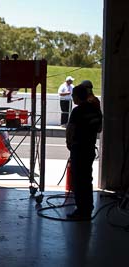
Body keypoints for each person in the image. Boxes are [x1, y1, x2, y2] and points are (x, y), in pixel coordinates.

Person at [66, 84, 102, 220]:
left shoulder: (77, 111)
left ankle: (81, 210)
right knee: (87, 179)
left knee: (78, 181)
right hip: (89, 149)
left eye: (73, 95)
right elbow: (99, 129)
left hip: (78, 148)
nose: (72, 98)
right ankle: (88, 208)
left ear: (77, 96)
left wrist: (69, 144)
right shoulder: (96, 110)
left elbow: (70, 129)